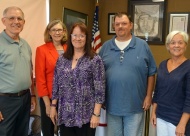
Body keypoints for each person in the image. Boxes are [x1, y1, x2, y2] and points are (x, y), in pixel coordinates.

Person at [99, 12, 157, 136]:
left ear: (131, 25)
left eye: (124, 23)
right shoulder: (105, 47)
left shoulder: (143, 46)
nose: (120, 26)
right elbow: (98, 75)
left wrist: (148, 97)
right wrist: (101, 97)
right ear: (114, 26)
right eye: (117, 24)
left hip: (135, 105)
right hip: (112, 105)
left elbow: (151, 73)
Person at [49, 22, 105, 136]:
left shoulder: (94, 60)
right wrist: (53, 106)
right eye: (75, 35)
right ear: (70, 37)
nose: (77, 38)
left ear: (86, 38)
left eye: (81, 35)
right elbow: (56, 85)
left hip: (86, 116)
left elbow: (100, 89)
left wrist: (96, 114)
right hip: (65, 115)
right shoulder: (62, 60)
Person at [0, 6, 36, 136]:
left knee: (22, 133)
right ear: (3, 21)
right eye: (12, 18)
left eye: (20, 18)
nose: (16, 21)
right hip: (5, 101)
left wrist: (32, 95)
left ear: (24, 22)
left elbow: (29, 71)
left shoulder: (25, 45)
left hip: (25, 98)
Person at [150, 31, 190, 136]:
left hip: (178, 120)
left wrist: (182, 123)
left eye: (180, 42)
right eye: (173, 43)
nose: (176, 45)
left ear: (185, 45)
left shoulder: (188, 67)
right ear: (168, 46)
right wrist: (153, 112)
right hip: (161, 117)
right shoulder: (163, 64)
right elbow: (158, 91)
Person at [35, 19, 67, 136]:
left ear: (64, 32)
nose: (57, 33)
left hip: (68, 97)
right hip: (49, 97)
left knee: (65, 130)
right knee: (48, 130)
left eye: (59, 30)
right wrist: (48, 104)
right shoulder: (42, 50)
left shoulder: (70, 49)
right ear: (49, 32)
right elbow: (40, 78)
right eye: (53, 30)